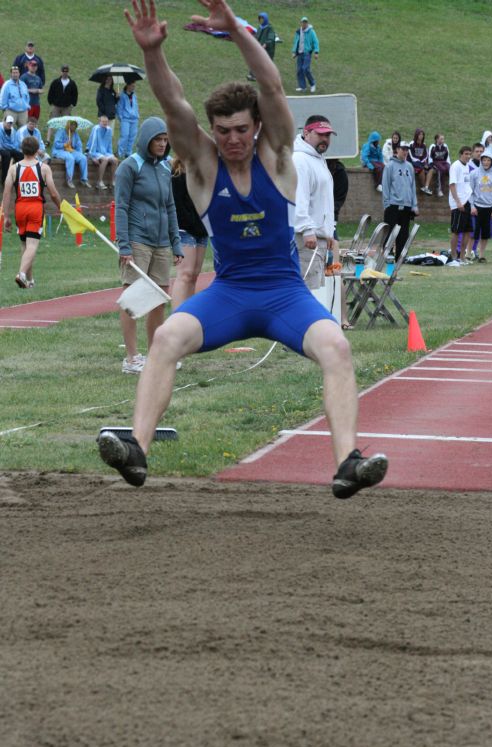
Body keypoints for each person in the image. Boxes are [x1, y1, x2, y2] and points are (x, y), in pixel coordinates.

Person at [98, 0, 388, 500]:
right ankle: (138, 451)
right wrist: (152, 54)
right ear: (212, 131)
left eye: (241, 130)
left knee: (337, 347)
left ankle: (347, 463)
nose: (232, 139)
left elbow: (272, 86)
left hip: (284, 295)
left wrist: (235, 30)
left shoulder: (277, 159)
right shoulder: (203, 168)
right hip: (229, 295)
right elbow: (174, 105)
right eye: (223, 131)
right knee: (165, 338)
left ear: (257, 128)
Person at [114, 116, 184, 374]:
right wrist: (124, 245)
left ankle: (157, 355)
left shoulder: (166, 169)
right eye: (158, 139)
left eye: (165, 140)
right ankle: (131, 358)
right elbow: (120, 207)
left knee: (158, 299)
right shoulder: (129, 167)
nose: (163, 144)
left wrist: (176, 243)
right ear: (146, 140)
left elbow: (170, 207)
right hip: (137, 241)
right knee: (132, 298)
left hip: (162, 243)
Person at [1, 135, 61, 289]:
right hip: (35, 208)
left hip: (20, 208)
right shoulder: (44, 168)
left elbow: (6, 193)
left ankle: (30, 280)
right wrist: (60, 207)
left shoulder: (14, 169)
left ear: (22, 150)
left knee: (24, 245)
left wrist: (6, 216)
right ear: (37, 151)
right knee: (32, 244)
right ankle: (21, 274)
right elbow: (53, 193)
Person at [293, 115, 335, 289]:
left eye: (328, 135)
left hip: (318, 239)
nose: (325, 139)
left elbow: (322, 201)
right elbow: (298, 197)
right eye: (320, 134)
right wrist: (306, 229)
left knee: (316, 290)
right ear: (307, 133)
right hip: (306, 241)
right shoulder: (300, 160)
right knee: (307, 292)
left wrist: (329, 231)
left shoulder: (317, 158)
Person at [171, 156, 209, 309]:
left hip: (202, 229)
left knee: (194, 275)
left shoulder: (204, 173)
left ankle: (188, 312)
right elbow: (177, 206)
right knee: (185, 274)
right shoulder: (176, 174)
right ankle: (177, 315)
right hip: (184, 228)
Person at [327, 157, 352, 329]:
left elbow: (338, 201)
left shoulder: (340, 173)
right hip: (311, 227)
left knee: (335, 272)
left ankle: (343, 317)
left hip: (329, 226)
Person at [381, 140, 418, 259]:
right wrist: (386, 203)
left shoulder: (409, 166)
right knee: (390, 231)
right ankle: (387, 254)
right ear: (397, 150)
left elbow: (412, 186)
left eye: (407, 149)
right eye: (403, 149)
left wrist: (414, 205)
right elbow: (385, 185)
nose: (405, 152)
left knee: (403, 233)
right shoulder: (390, 166)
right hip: (393, 204)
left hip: (406, 205)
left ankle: (400, 256)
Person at [469, 151, 492, 263]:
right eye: (484, 160)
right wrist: (472, 206)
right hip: (477, 207)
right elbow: (469, 191)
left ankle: (482, 255)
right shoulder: (474, 174)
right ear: (481, 160)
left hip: (490, 209)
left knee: (485, 234)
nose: (486, 162)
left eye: (488, 160)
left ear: (491, 162)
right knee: (473, 233)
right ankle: (469, 254)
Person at [449, 146, 474, 264]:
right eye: (466, 154)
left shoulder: (467, 167)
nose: (468, 156)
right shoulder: (455, 166)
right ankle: (454, 256)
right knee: (456, 231)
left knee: (468, 230)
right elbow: (452, 185)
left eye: (470, 154)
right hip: (458, 204)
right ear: (461, 154)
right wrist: (458, 201)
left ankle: (462, 256)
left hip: (467, 201)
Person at [51, 119, 91, 189]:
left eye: (75, 125)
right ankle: (69, 180)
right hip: (60, 150)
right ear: (68, 125)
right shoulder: (61, 131)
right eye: (72, 125)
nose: (74, 127)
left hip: (71, 151)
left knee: (83, 158)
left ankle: (84, 179)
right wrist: (65, 144)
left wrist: (80, 154)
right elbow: (56, 144)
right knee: (70, 158)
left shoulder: (75, 134)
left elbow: (79, 145)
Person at [46, 66, 78, 145]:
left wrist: (73, 104)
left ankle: (66, 141)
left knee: (66, 124)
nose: (65, 73)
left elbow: (75, 94)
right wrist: (51, 102)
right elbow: (51, 93)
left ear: (68, 72)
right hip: (56, 106)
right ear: (61, 72)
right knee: (52, 122)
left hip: (67, 107)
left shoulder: (72, 83)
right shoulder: (55, 82)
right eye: (63, 71)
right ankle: (48, 140)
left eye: (66, 71)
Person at [86, 115, 118, 189]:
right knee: (105, 159)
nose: (105, 123)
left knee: (115, 160)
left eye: (106, 122)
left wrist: (111, 155)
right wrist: (92, 156)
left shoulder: (109, 130)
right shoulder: (96, 129)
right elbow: (92, 143)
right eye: (103, 122)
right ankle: (99, 182)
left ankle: (112, 182)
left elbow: (109, 143)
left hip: (105, 152)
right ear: (99, 122)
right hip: (94, 151)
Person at [291, 16, 319, 93]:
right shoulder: (298, 32)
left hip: (307, 53)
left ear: (307, 23)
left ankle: (313, 84)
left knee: (305, 69)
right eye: (303, 22)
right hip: (300, 53)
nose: (304, 24)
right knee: (299, 70)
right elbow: (296, 42)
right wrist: (294, 52)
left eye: (305, 22)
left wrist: (316, 52)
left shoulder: (311, 32)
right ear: (301, 23)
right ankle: (302, 86)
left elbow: (315, 42)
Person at [247, 11, 276, 81]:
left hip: (267, 50)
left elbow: (271, 38)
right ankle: (252, 75)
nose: (261, 20)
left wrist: (266, 44)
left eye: (262, 19)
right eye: (260, 19)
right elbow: (257, 36)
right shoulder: (260, 27)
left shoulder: (269, 28)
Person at [117, 82, 140, 158]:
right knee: (125, 136)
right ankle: (120, 153)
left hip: (134, 119)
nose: (134, 87)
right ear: (127, 85)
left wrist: (137, 116)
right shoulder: (122, 96)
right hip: (125, 119)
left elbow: (136, 106)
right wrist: (121, 118)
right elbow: (119, 107)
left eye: (134, 86)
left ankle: (128, 153)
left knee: (132, 136)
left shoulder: (134, 95)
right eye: (132, 86)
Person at [0, 115, 24, 184]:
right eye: (8, 122)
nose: (9, 124)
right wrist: (11, 147)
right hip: (1, 148)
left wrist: (10, 147)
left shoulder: (13, 130)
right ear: (4, 121)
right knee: (7, 155)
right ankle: (4, 180)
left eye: (11, 123)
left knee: (21, 155)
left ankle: (18, 176)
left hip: (8, 149)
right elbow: (1, 144)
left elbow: (16, 143)